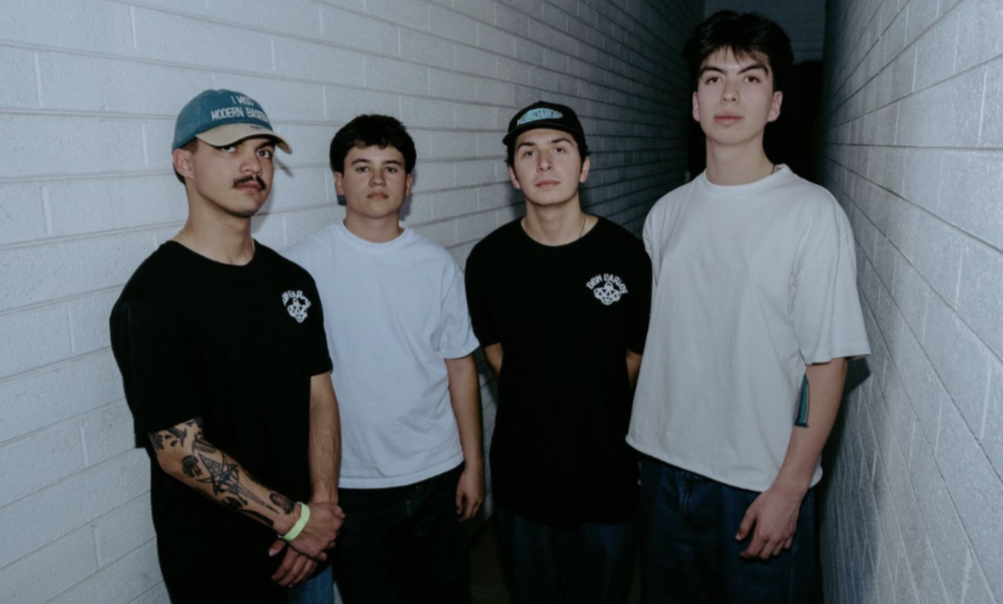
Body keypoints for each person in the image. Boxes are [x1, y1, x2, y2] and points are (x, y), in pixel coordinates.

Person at [628, 11, 871, 604]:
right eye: (714, 78)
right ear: (695, 103)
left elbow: (827, 365)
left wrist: (791, 489)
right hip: (662, 473)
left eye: (751, 78)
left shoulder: (811, 214)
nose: (730, 94)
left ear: (776, 103)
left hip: (757, 482)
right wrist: (643, 451)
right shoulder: (665, 214)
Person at [109, 89, 344, 603]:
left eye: (263, 151)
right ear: (184, 163)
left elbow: (319, 396)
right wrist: (294, 522)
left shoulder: (292, 282)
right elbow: (180, 451)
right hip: (217, 565)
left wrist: (321, 511)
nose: (253, 165)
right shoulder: (152, 299)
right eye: (229, 147)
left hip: (311, 548)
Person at [283, 114, 483, 604]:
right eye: (362, 167)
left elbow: (460, 368)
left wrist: (474, 465)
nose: (377, 179)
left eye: (391, 168)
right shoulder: (302, 266)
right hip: (353, 483)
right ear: (338, 181)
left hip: (436, 473)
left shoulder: (437, 264)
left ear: (408, 183)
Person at [464, 101, 652, 604]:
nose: (544, 163)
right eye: (528, 152)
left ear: (584, 166)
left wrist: (592, 398)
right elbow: (495, 350)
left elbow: (636, 352)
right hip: (523, 477)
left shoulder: (625, 255)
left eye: (560, 149)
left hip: (606, 473)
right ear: (513, 175)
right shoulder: (489, 261)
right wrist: (539, 395)